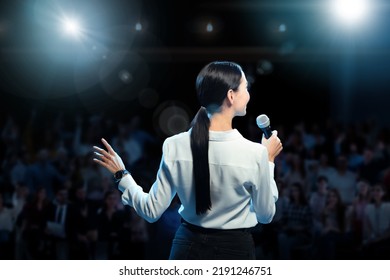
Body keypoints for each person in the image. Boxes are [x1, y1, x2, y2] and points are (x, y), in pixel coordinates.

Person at [93, 61, 283, 260]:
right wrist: (268, 160)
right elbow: (265, 215)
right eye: (246, 87)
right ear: (231, 95)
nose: (249, 94)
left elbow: (151, 210)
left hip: (186, 247)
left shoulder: (174, 145)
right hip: (235, 251)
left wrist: (122, 175)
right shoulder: (255, 153)